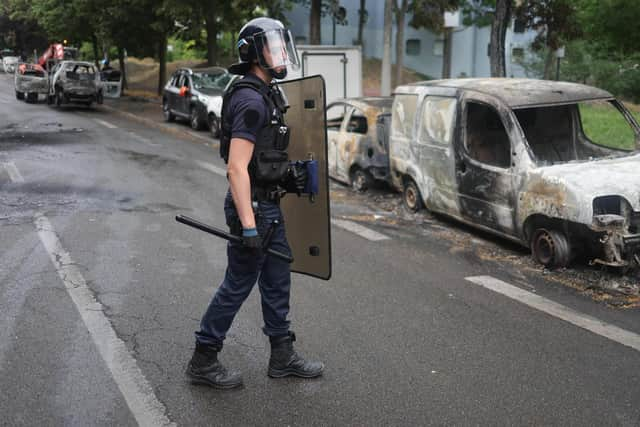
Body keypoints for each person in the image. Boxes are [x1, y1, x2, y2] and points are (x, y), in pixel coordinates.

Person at [186, 17, 324, 389]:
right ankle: (203, 358)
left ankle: (282, 355)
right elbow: (236, 168)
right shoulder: (250, 99)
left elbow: (260, 159)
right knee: (238, 283)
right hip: (254, 211)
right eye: (272, 46)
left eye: (281, 45)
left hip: (267, 207)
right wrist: (248, 226)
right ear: (252, 53)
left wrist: (286, 175)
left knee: (278, 279)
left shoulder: (266, 93)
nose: (279, 53)